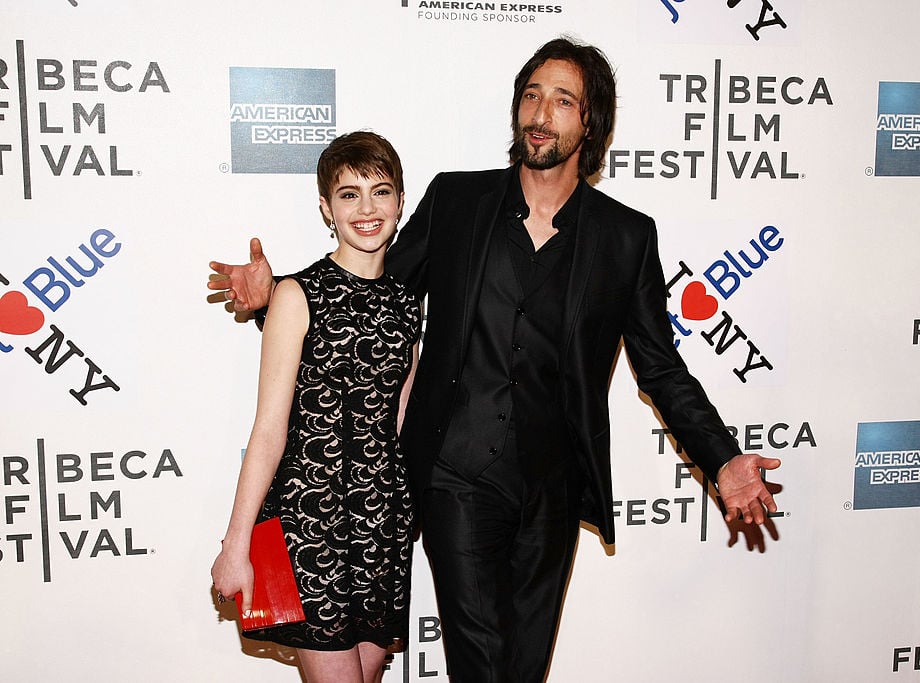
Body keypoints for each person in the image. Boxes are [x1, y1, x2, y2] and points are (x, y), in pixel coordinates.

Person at [210, 38, 780, 683]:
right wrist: (276, 301)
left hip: (553, 492)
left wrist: (721, 457)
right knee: (480, 664)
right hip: (455, 481)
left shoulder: (626, 237)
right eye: (531, 96)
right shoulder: (458, 203)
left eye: (563, 100)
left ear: (589, 124)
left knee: (523, 669)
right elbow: (370, 296)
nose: (541, 113)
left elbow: (661, 366)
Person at [211, 131, 421, 683]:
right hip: (312, 523)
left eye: (380, 191)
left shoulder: (406, 305)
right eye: (349, 195)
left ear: (400, 201)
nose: (367, 208)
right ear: (327, 209)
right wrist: (237, 544)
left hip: (383, 525)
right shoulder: (295, 295)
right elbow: (268, 432)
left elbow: (399, 420)